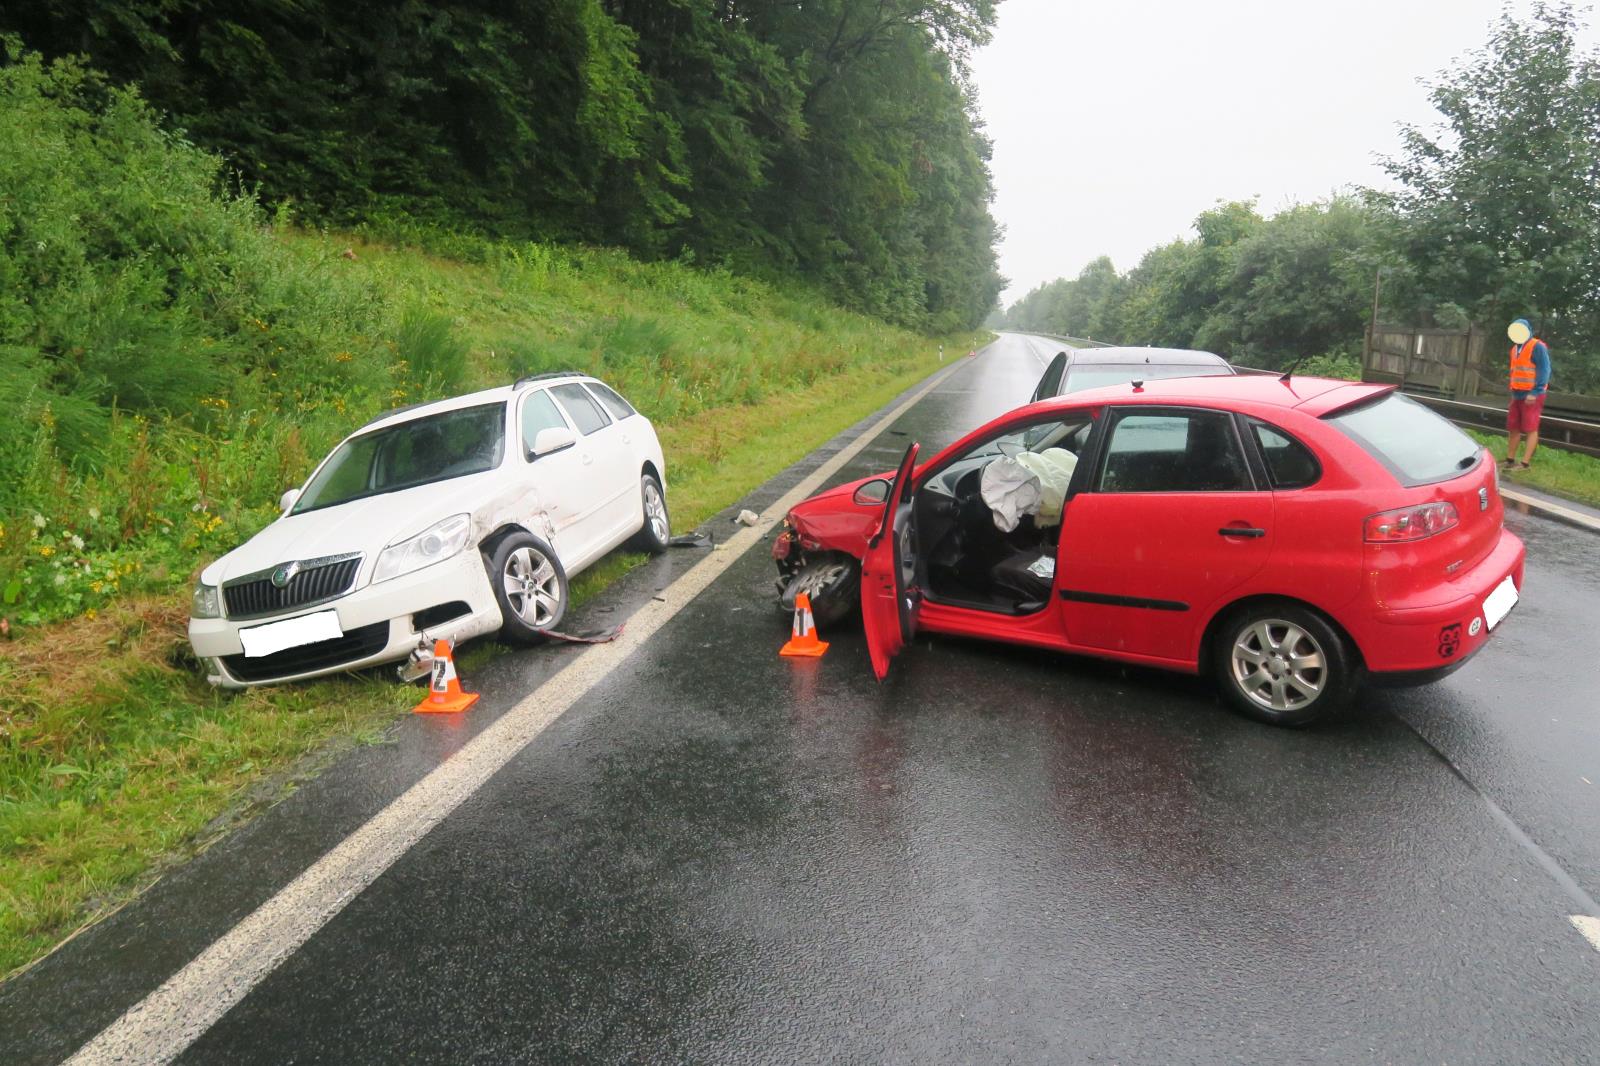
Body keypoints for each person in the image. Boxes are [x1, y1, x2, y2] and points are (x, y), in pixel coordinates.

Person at [1504, 318, 1551, 469]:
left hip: (1532, 394)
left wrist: (1535, 391)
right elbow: (1515, 372)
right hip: (1517, 394)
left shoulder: (1537, 346)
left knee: (1531, 428)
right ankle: (1510, 460)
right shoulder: (1514, 349)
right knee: (1513, 427)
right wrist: (1513, 391)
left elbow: (1545, 370)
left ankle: (1525, 464)